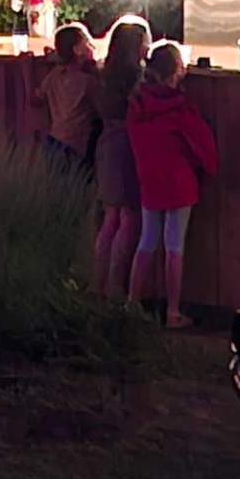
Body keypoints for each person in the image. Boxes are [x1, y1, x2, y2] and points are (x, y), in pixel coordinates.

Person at [124, 37, 220, 328]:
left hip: (149, 180)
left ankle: (131, 303)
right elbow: (205, 147)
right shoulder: (180, 109)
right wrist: (209, 170)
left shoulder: (137, 106)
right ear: (176, 70)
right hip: (179, 184)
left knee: (147, 241)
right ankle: (173, 311)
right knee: (174, 246)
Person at [86, 16, 151, 293]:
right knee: (129, 218)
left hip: (106, 144)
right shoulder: (137, 79)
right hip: (128, 145)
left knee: (110, 217)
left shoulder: (101, 76)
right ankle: (114, 287)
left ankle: (96, 283)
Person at [40, 21, 101, 168]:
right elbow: (104, 110)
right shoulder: (87, 82)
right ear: (77, 49)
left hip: (54, 141)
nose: (92, 46)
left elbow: (38, 96)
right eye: (87, 42)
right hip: (77, 146)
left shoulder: (55, 75)